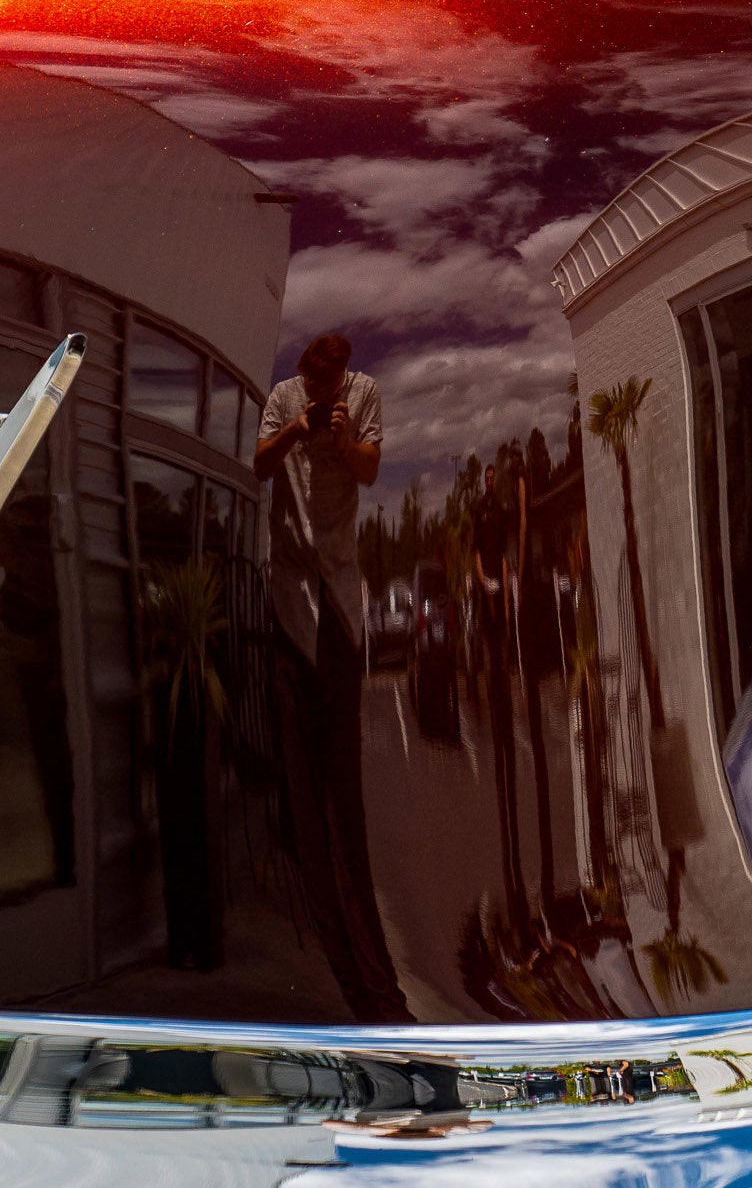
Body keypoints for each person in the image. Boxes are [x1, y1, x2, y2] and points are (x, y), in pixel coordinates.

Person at [257, 332, 402, 1016]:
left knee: (343, 773)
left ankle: (364, 954)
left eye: (331, 387)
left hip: (340, 596)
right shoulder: (284, 399)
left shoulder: (364, 392)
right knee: (300, 771)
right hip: (291, 596)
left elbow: (370, 470)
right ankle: (321, 923)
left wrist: (341, 439)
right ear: (302, 376)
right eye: (317, 386)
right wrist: (296, 426)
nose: (324, 397)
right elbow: (258, 466)